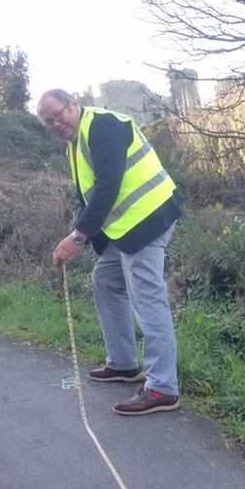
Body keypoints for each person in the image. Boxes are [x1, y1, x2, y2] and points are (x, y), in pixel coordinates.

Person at [40, 89, 183, 416]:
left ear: (74, 103)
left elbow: (108, 187)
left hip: (148, 219)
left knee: (146, 295)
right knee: (106, 279)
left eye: (58, 113)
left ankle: (162, 387)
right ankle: (123, 364)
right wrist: (87, 237)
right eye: (49, 121)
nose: (55, 122)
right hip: (128, 228)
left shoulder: (103, 125)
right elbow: (89, 196)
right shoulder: (75, 144)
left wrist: (77, 237)